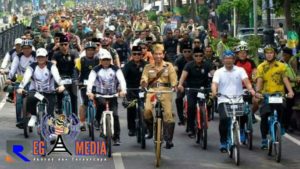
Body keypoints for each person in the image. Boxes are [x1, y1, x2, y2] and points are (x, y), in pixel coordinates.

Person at [211, 50, 255, 153]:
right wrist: (214, 92)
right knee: (224, 119)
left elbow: (246, 81)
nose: (228, 61)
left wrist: (251, 90)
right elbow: (214, 84)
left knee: (243, 114)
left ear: (234, 60)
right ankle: (223, 142)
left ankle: (242, 131)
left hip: (238, 99)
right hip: (223, 100)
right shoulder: (219, 72)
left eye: (230, 59)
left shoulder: (240, 70)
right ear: (223, 60)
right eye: (226, 58)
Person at [255, 45, 294, 149]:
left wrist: (290, 91)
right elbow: (259, 80)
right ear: (264, 54)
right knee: (264, 115)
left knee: (282, 108)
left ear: (275, 54)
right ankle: (264, 139)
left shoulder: (282, 66)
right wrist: (258, 92)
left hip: (278, 94)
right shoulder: (261, 67)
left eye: (271, 53)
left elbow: (285, 79)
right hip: (266, 95)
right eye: (267, 53)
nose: (269, 55)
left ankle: (279, 125)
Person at [140, 44, 177, 149]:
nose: (158, 56)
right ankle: (151, 130)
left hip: (166, 91)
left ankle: (168, 139)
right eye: (156, 54)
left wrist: (174, 85)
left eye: (160, 54)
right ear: (152, 55)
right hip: (152, 91)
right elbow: (144, 78)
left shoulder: (169, 66)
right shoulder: (148, 67)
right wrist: (144, 83)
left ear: (163, 54)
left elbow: (173, 78)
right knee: (147, 111)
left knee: (169, 114)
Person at [86, 50, 126, 146]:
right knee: (101, 106)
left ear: (111, 60)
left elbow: (122, 80)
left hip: (113, 95)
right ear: (100, 60)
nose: (106, 62)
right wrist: (89, 92)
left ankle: (116, 137)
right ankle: (97, 120)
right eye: (104, 60)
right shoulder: (95, 69)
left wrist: (123, 90)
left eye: (108, 60)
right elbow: (90, 81)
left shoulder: (116, 69)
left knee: (115, 115)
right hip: (100, 95)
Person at [16, 48, 65, 127]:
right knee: (29, 98)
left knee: (50, 114)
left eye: (42, 57)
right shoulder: (32, 66)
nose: (40, 59)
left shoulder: (51, 66)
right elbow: (26, 77)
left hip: (49, 93)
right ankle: (34, 115)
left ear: (46, 57)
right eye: (38, 57)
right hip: (36, 92)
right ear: (36, 58)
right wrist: (21, 87)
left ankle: (51, 132)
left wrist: (61, 85)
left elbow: (57, 76)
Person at [177, 48, 210, 138]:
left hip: (203, 90)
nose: (198, 57)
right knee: (191, 107)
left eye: (200, 55)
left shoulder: (207, 65)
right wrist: (180, 84)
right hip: (191, 89)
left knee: (208, 103)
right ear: (193, 56)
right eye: (196, 55)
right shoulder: (188, 65)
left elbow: (213, 74)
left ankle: (204, 120)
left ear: (203, 56)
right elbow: (183, 76)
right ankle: (191, 128)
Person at [6, 40, 36, 128]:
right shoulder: (18, 57)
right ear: (22, 49)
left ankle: (37, 115)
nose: (26, 50)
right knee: (19, 100)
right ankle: (19, 120)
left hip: (32, 79)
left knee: (35, 98)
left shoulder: (35, 56)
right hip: (20, 79)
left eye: (28, 48)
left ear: (31, 48)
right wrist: (9, 78)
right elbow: (13, 68)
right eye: (24, 48)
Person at [234, 42, 258, 143]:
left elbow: (255, 72)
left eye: (244, 52)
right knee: (240, 112)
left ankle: (251, 114)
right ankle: (242, 130)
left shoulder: (251, 62)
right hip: (238, 89)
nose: (243, 54)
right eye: (241, 52)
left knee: (256, 101)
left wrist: (255, 77)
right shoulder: (235, 63)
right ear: (238, 54)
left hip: (249, 87)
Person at [123, 46, 148, 136]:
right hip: (131, 90)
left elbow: (152, 76)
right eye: (134, 54)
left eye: (139, 54)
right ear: (132, 55)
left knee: (146, 107)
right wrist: (122, 88)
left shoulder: (146, 64)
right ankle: (131, 128)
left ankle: (147, 127)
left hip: (142, 89)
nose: (137, 56)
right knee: (131, 108)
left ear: (142, 55)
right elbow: (123, 77)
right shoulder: (128, 65)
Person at [52, 35, 79, 116]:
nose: (64, 46)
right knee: (58, 95)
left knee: (74, 97)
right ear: (59, 45)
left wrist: (77, 77)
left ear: (68, 44)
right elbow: (53, 65)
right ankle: (59, 110)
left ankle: (75, 118)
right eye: (62, 44)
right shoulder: (56, 54)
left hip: (72, 76)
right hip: (60, 77)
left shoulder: (74, 52)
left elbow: (77, 64)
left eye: (66, 44)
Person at [75, 42, 99, 131]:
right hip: (83, 84)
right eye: (88, 50)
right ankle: (82, 122)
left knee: (99, 102)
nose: (90, 52)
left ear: (95, 51)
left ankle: (97, 119)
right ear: (85, 51)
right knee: (84, 103)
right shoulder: (81, 60)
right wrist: (76, 80)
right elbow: (76, 71)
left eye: (92, 50)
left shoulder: (98, 60)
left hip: (96, 84)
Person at [174, 44, 194, 125]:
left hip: (192, 83)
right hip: (181, 83)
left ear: (191, 52)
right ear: (182, 52)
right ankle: (181, 118)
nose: (187, 53)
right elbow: (175, 68)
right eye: (185, 51)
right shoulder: (179, 60)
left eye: (189, 51)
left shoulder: (195, 58)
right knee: (178, 99)